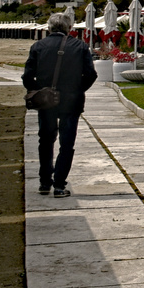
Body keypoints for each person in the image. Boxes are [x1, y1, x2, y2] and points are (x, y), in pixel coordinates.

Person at [22, 11, 97, 198]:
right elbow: (91, 74)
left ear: (49, 27)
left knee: (45, 141)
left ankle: (44, 182)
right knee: (67, 143)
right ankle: (59, 185)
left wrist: (38, 92)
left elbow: (27, 76)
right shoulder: (80, 46)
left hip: (46, 101)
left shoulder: (38, 46)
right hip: (71, 101)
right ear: (69, 28)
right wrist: (78, 90)